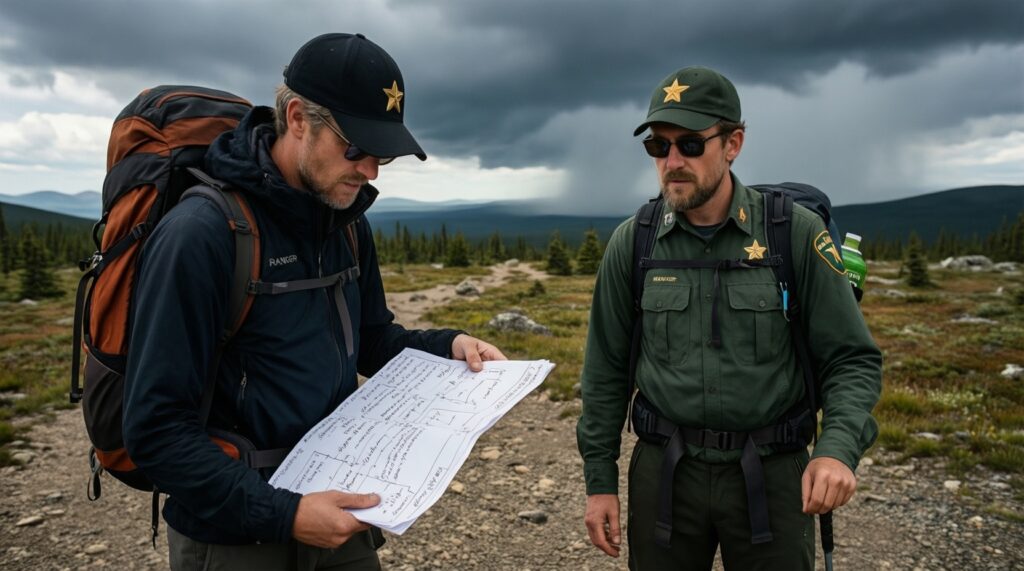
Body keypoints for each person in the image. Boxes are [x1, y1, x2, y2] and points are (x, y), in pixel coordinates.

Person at [123, 33, 505, 570]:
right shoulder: (202, 234)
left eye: (383, 156)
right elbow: (155, 429)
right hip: (235, 537)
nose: (370, 171)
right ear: (298, 118)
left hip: (339, 514)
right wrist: (285, 514)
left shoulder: (346, 225)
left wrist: (451, 345)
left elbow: (371, 340)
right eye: (355, 149)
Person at [575, 66, 882, 570]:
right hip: (665, 474)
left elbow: (851, 358)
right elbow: (605, 370)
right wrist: (599, 482)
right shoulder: (635, 242)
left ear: (733, 143)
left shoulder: (794, 234)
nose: (672, 161)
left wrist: (837, 449)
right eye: (659, 147)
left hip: (775, 473)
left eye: (690, 145)